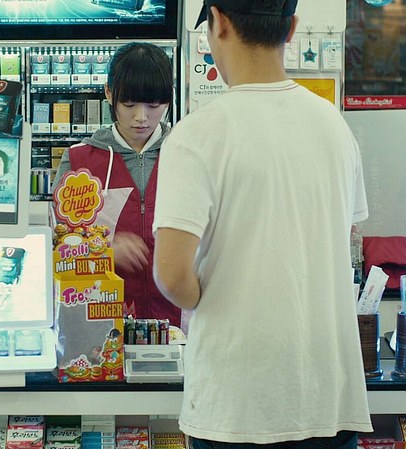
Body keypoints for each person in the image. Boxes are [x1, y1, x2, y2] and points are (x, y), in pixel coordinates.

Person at [152, 1, 373, 448]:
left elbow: (172, 275)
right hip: (329, 400)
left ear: (218, 23)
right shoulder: (334, 126)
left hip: (237, 407)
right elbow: (347, 238)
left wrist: (208, 299)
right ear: (292, 29)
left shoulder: (196, 135)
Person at [51, 42, 180, 326]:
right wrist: (104, 248)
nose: (141, 117)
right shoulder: (80, 160)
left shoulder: (189, 155)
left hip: (180, 323)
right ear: (109, 93)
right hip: (101, 323)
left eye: (154, 105)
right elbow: (59, 243)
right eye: (129, 104)